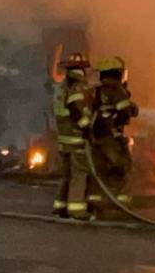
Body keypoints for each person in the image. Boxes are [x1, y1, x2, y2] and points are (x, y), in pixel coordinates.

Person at [89, 56, 139, 206]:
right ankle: (122, 201)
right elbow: (124, 113)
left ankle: (95, 201)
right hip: (111, 137)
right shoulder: (117, 90)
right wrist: (130, 111)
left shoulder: (95, 91)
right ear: (117, 73)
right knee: (124, 168)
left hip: (94, 137)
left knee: (99, 170)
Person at [54, 52, 95, 220]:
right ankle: (76, 210)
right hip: (75, 138)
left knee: (67, 175)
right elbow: (75, 109)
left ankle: (60, 206)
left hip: (64, 138)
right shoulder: (77, 87)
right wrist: (86, 127)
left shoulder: (62, 87)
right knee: (79, 175)